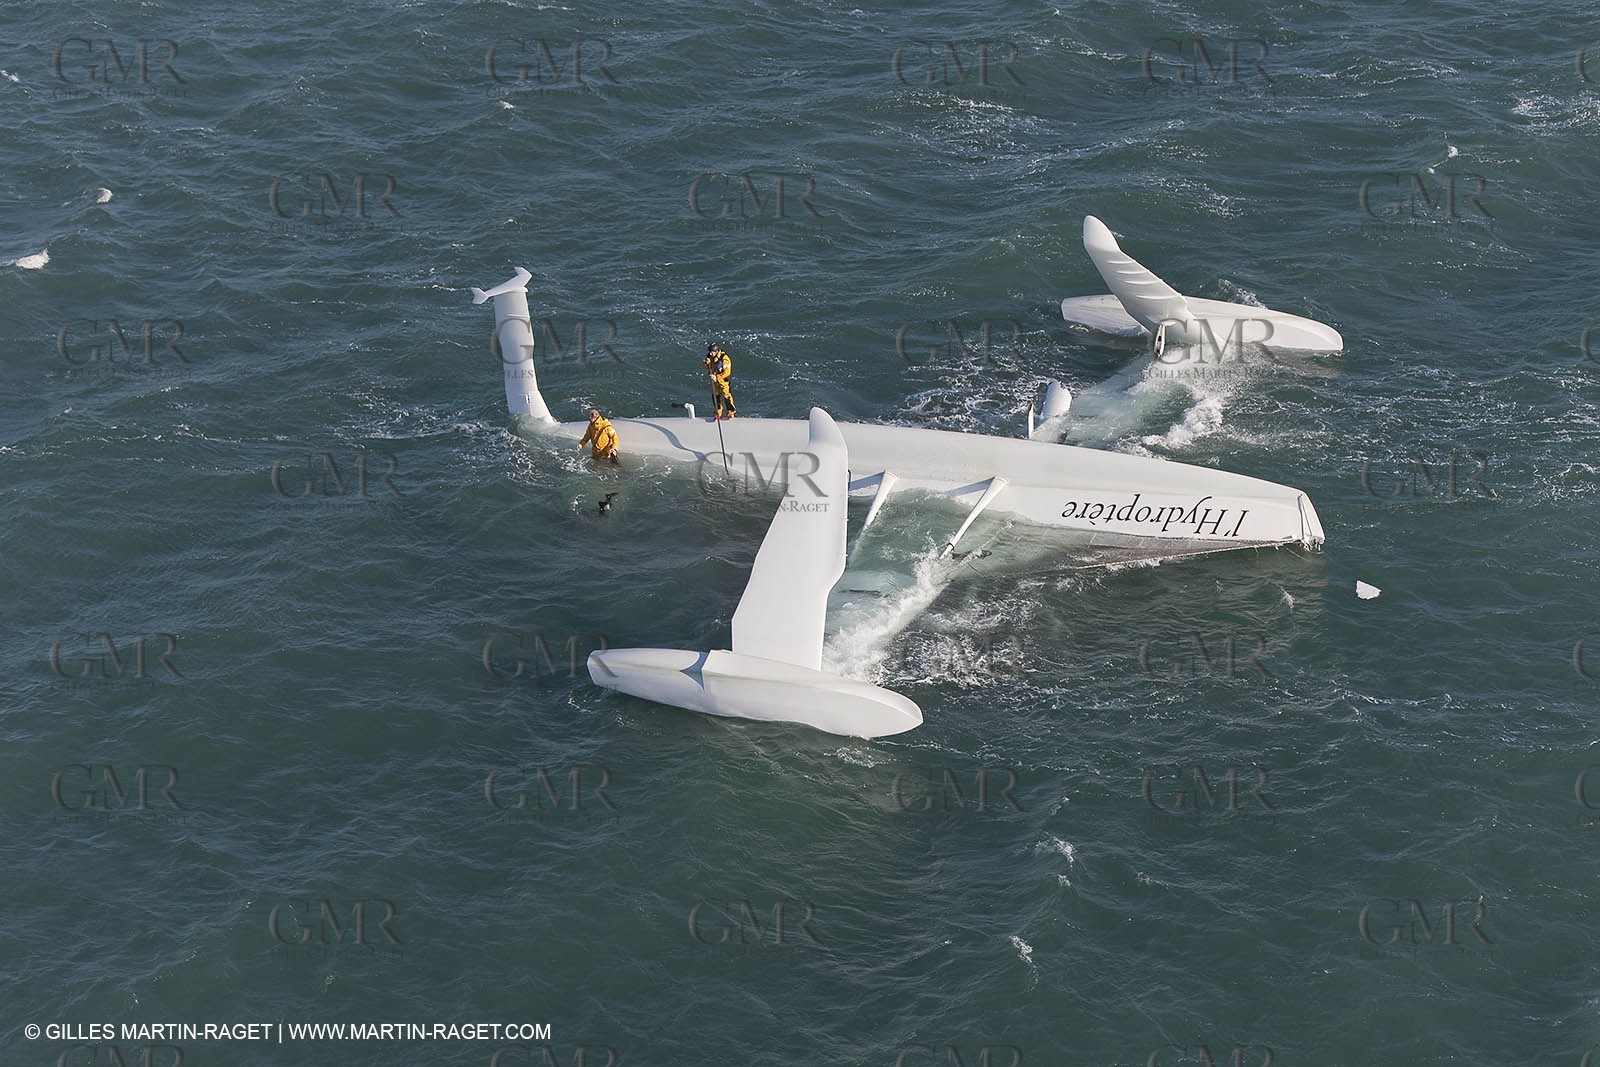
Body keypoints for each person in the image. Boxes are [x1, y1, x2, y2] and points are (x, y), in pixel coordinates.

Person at [703, 343, 736, 421]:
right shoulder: (710, 357)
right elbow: (705, 367)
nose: (710, 354)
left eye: (712, 352)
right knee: (716, 397)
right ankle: (718, 413)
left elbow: (727, 372)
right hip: (714, 382)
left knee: (726, 396)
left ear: (717, 351)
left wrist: (716, 377)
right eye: (710, 352)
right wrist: (706, 363)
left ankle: (730, 413)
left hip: (723, 381)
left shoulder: (724, 359)